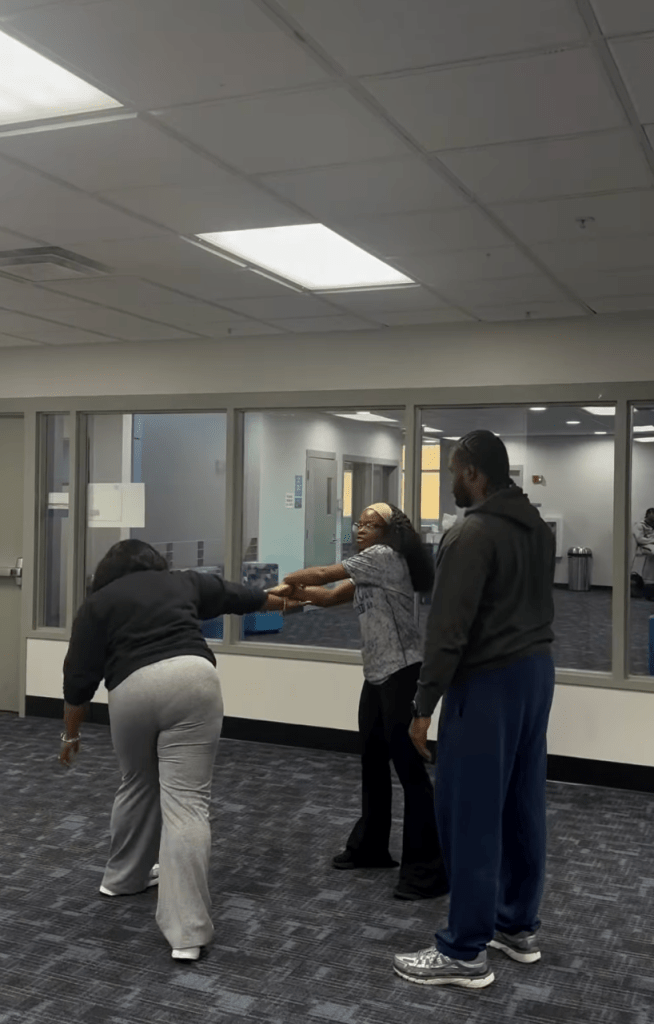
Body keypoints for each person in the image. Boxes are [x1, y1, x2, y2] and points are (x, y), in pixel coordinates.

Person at [58, 539, 301, 962]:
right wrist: (286, 601)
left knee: (136, 783)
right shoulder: (181, 582)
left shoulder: (97, 604)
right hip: (193, 678)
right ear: (155, 564)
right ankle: (186, 934)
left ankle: (121, 878)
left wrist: (70, 736)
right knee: (186, 804)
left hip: (131, 688)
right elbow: (239, 596)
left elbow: (78, 680)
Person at [393, 430, 556, 990]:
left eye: (453, 472)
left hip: (487, 682)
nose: (451, 483)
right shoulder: (537, 528)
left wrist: (423, 704)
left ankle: (464, 950)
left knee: (469, 812)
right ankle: (516, 926)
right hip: (536, 674)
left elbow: (447, 630)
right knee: (522, 801)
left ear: (474, 474)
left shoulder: (470, 533)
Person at [282, 503, 448, 901]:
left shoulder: (383, 557)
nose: (361, 529)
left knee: (409, 772)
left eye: (372, 525)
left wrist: (288, 580)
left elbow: (323, 574)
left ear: (389, 533)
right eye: (360, 523)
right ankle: (371, 848)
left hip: (401, 671)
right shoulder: (372, 566)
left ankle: (427, 869)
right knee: (373, 762)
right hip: (376, 674)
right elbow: (328, 596)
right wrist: (296, 596)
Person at [633, 508, 654, 600]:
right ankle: (649, 592)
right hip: (645, 546)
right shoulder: (640, 525)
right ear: (648, 514)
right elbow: (640, 539)